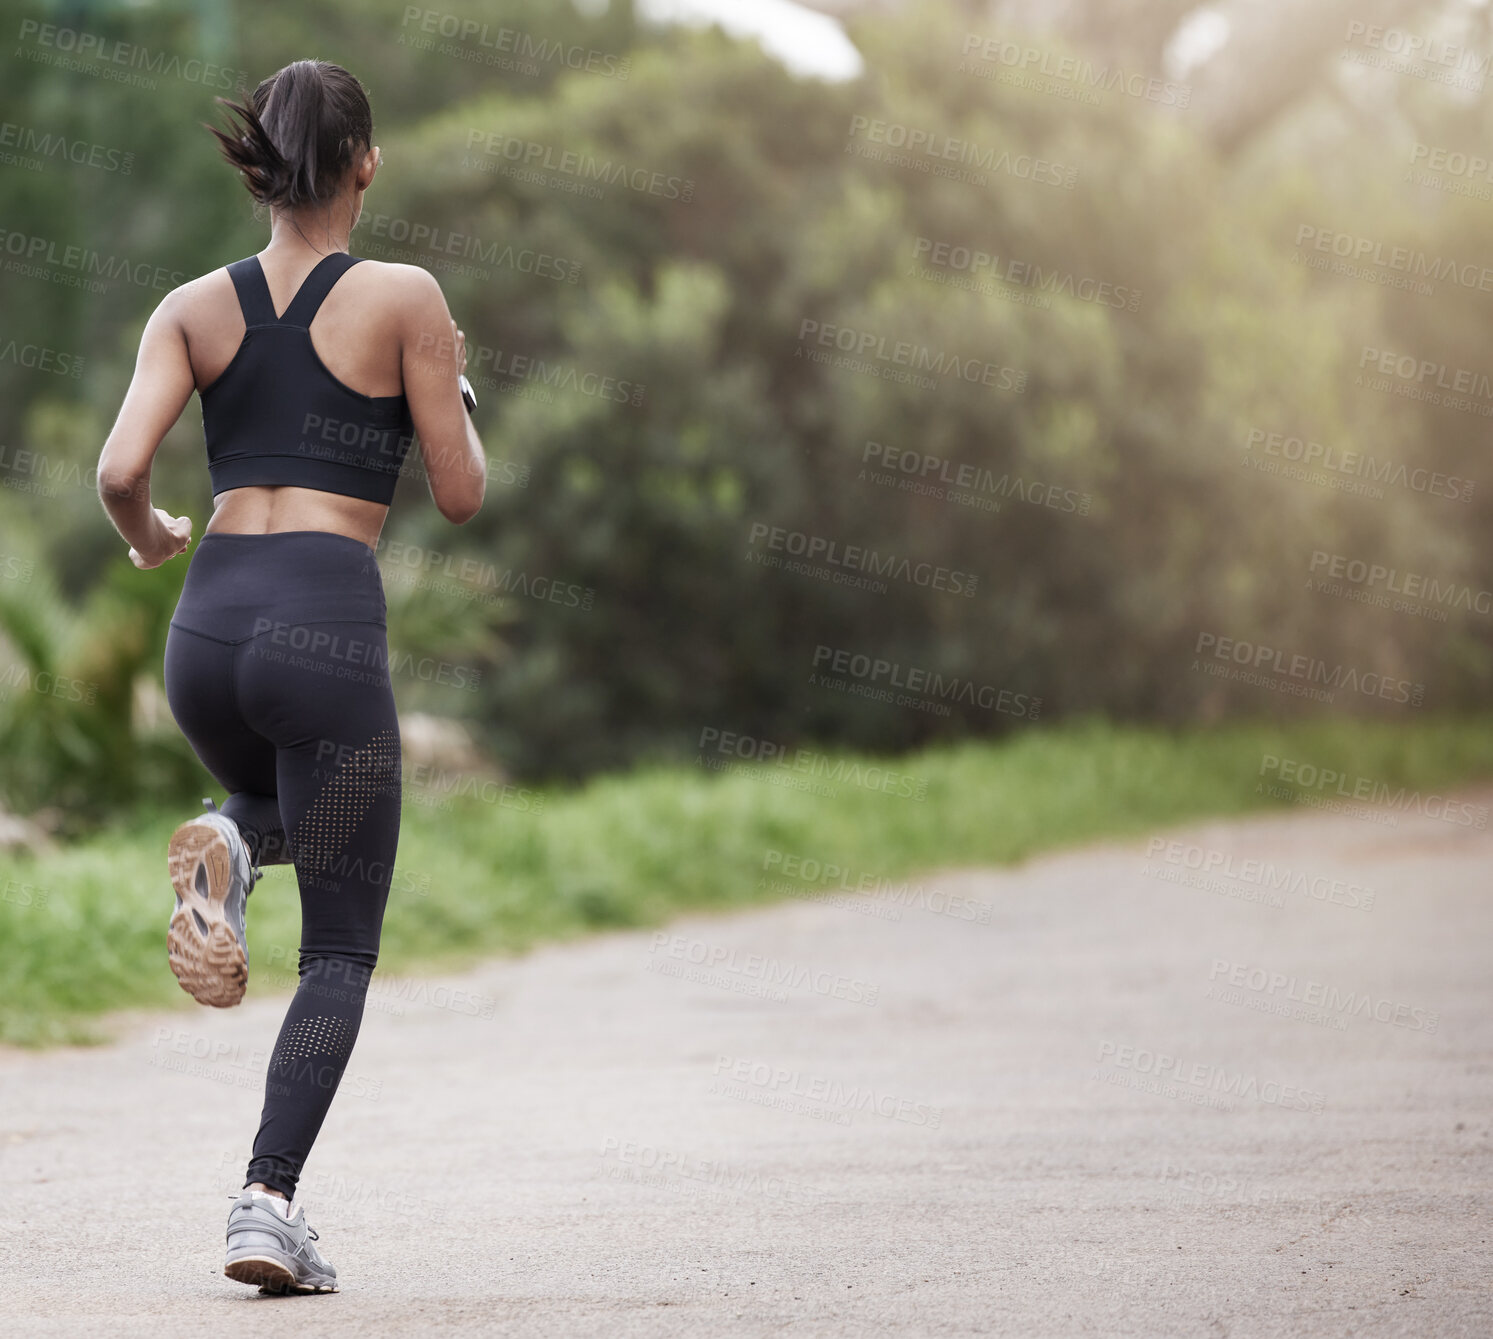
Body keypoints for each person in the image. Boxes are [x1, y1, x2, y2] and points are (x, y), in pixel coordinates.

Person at [94, 59, 485, 1295]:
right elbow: (463, 491)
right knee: (342, 952)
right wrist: (456, 383)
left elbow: (117, 471)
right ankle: (266, 1204)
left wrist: (150, 535)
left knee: (284, 819)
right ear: (364, 163)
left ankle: (226, 830)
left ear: (255, 163)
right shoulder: (405, 295)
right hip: (322, 615)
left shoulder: (190, 308)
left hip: (207, 626)